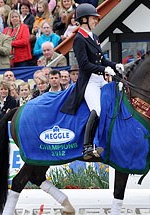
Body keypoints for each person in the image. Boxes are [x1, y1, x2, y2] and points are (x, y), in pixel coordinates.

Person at [60, 3, 124, 160]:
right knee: (98, 109)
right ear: (84, 20)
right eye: (94, 18)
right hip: (89, 82)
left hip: (101, 79)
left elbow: (101, 59)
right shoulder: (79, 39)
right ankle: (87, 147)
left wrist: (114, 65)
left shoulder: (94, 37)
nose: (97, 21)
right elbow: (84, 65)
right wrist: (103, 70)